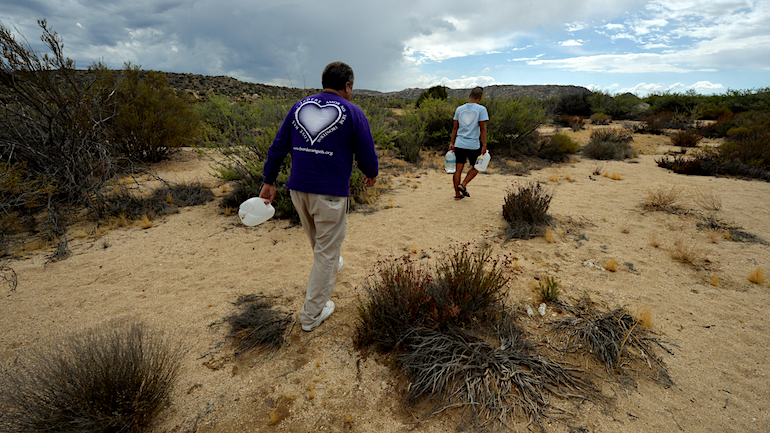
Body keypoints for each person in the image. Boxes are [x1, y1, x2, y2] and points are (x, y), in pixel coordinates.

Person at [260, 61, 379, 332]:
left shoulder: (299, 107)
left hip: (298, 189)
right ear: (348, 85)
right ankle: (312, 315)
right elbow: (366, 152)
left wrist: (269, 180)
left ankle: (333, 263)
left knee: (321, 243)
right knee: (325, 252)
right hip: (331, 194)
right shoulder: (353, 112)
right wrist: (371, 172)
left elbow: (278, 146)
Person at [449, 86, 488, 200]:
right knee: (477, 166)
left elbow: (455, 128)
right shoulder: (481, 109)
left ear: (469, 95)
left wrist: (452, 142)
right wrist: (484, 144)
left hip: (459, 143)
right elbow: (483, 129)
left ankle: (457, 194)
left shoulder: (459, 109)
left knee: (458, 170)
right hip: (473, 145)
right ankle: (463, 184)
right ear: (480, 98)